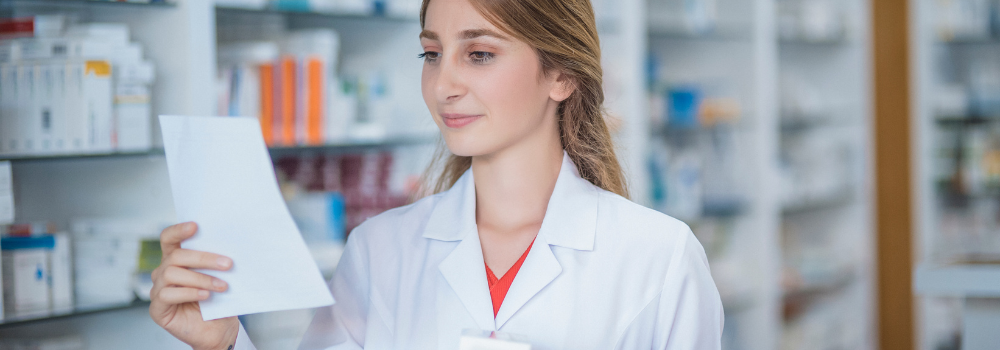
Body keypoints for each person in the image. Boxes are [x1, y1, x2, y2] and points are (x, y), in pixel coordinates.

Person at [149, 0, 724, 348]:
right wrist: (223, 344)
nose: (443, 83)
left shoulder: (659, 258)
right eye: (431, 53)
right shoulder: (381, 250)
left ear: (562, 76)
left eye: (479, 54)